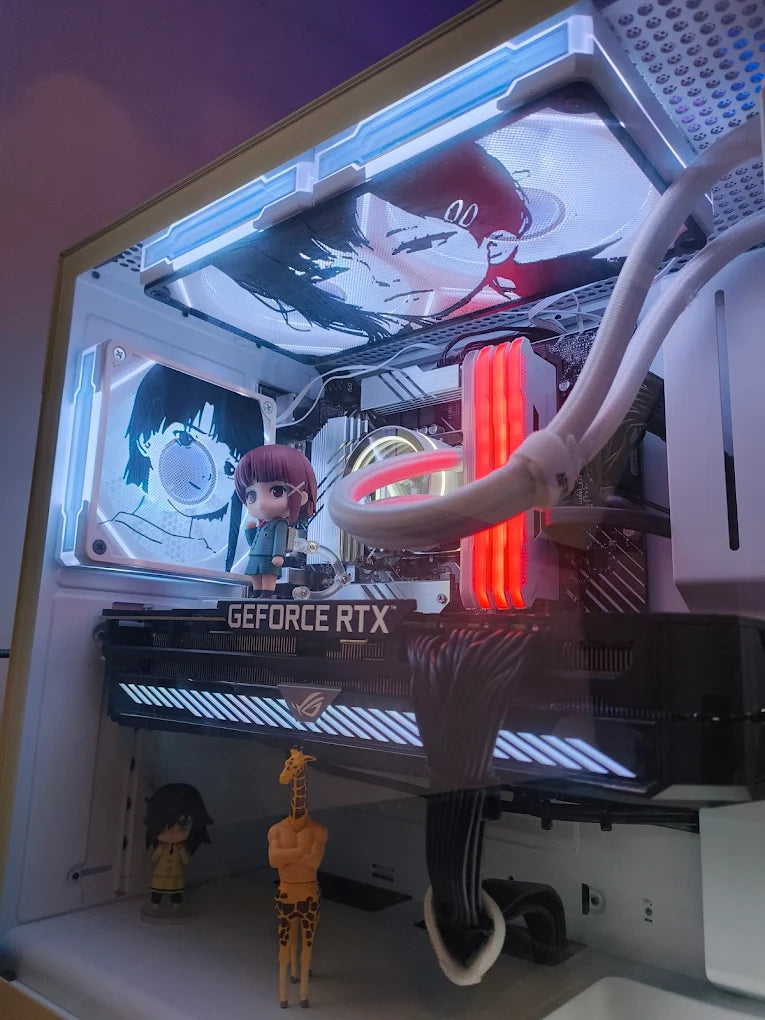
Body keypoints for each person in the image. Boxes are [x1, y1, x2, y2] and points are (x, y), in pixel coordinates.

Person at [216, 137, 534, 344]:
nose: (381, 276)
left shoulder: (529, 307)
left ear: (497, 245)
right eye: (334, 270)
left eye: (415, 245)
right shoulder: (385, 337)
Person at [101, 363, 264, 569]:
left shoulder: (209, 555)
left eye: (230, 468)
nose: (207, 474)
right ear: (146, 436)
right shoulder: (115, 533)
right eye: (186, 439)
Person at [233, 445, 317, 597]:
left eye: (277, 491)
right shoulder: (262, 524)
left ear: (301, 496)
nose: (261, 503)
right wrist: (250, 531)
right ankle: (257, 592)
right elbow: (254, 543)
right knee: (255, 573)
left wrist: (279, 555)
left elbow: (279, 540)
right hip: (256, 555)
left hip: (269, 558)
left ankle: (266, 593)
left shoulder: (280, 524)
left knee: (267, 574)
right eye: (251, 495)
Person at [144, 784, 213, 915]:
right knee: (157, 893)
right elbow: (154, 859)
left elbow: (185, 862)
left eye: (183, 825)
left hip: (176, 877)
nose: (173, 833)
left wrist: (183, 853)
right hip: (160, 876)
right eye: (165, 827)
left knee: (176, 894)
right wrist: (158, 851)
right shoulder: (161, 847)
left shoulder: (182, 847)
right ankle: (155, 906)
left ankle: (176, 908)